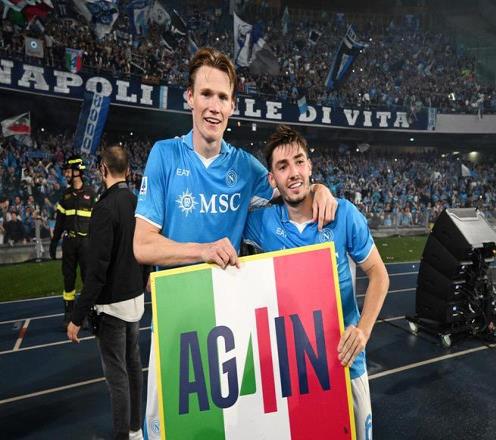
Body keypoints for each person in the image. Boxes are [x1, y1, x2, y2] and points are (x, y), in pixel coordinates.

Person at [133, 47, 337, 439]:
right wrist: (203, 251)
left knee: (230, 428)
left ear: (232, 106)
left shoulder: (244, 166)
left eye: (223, 97)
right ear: (189, 97)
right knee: (167, 432)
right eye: (206, 94)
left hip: (229, 322)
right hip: (177, 320)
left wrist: (320, 189)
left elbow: (292, 185)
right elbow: (142, 245)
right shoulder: (164, 155)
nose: (214, 106)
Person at [242, 125, 390, 440]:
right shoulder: (263, 223)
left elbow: (379, 274)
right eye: (283, 167)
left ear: (310, 166)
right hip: (292, 371)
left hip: (345, 362)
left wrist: (363, 331)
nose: (293, 172)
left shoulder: (344, 214)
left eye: (299, 162)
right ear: (272, 179)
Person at [67, 145, 149, 440]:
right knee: (134, 368)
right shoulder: (138, 202)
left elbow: (97, 271)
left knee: (117, 377)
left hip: (112, 307)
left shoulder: (104, 208)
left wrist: (77, 316)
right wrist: (143, 281)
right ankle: (136, 431)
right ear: (128, 170)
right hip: (135, 301)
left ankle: (123, 436)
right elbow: (146, 251)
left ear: (103, 169)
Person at [50, 155, 96, 329]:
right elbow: (59, 222)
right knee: (68, 280)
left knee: (87, 279)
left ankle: (89, 314)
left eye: (69, 171)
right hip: (69, 243)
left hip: (86, 244)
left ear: (77, 172)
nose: (66, 174)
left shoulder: (91, 194)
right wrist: (54, 242)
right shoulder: (65, 195)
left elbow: (98, 222)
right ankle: (69, 315)